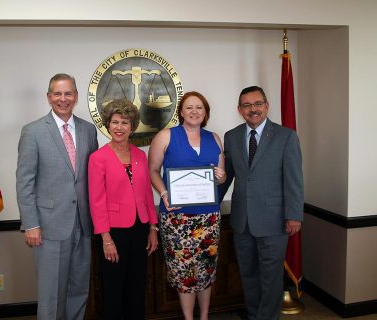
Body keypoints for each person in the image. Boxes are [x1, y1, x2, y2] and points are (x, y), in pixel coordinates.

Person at [16, 73, 98, 320]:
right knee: (52, 294)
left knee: (78, 289)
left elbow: (93, 176)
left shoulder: (88, 130)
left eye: (68, 93)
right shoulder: (33, 131)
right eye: (58, 94)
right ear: (49, 97)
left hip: (83, 225)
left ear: (76, 96)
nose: (63, 99)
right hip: (48, 227)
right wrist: (31, 224)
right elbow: (24, 181)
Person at [219, 86, 303, 320]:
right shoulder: (232, 136)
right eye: (246, 105)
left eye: (257, 104)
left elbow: (294, 179)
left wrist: (294, 215)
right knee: (248, 276)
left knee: (271, 278)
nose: (252, 109)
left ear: (266, 106)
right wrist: (207, 202)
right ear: (239, 110)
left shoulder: (286, 136)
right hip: (242, 222)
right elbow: (227, 176)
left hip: (274, 222)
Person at [148, 91, 226, 320]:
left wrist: (221, 177)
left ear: (205, 113)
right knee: (184, 273)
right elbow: (152, 171)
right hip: (176, 218)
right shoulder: (166, 136)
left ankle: (204, 316)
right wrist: (163, 193)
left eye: (199, 108)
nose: (194, 111)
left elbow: (220, 176)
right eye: (189, 107)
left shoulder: (215, 138)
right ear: (181, 111)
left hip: (209, 218)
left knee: (206, 270)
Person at [88, 99, 159, 320]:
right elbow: (96, 200)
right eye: (115, 122)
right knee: (113, 288)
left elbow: (147, 193)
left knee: (137, 285)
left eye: (125, 122)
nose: (119, 127)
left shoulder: (140, 155)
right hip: (114, 232)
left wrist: (153, 228)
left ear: (132, 127)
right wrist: (106, 239)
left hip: (140, 228)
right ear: (108, 125)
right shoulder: (97, 158)